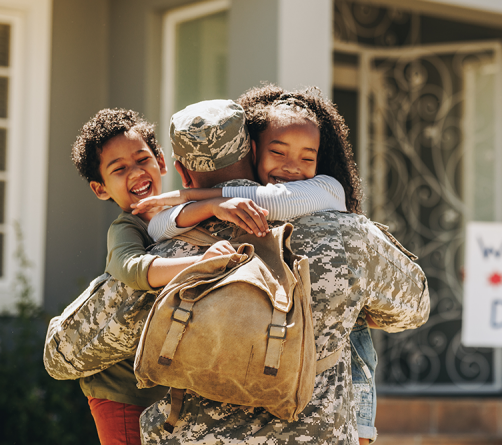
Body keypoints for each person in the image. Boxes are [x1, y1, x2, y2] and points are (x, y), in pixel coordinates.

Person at [44, 93, 430, 445]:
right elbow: (415, 307)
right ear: (255, 148)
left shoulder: (165, 256)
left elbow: (63, 355)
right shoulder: (351, 235)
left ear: (179, 170)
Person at [134, 87, 381, 444]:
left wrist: (191, 197)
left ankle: (363, 429)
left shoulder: (326, 188)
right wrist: (210, 205)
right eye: (277, 152)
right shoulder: (238, 205)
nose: (292, 167)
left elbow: (275, 202)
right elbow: (158, 224)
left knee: (357, 346)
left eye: (307, 158)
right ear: (253, 151)